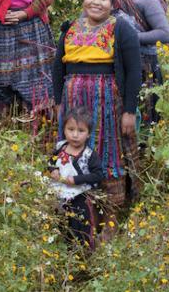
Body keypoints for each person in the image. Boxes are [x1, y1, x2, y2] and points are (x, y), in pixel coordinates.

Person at [52, 0, 141, 241]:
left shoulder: (120, 28)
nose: (96, 2)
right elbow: (59, 67)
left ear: (112, 3)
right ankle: (78, 218)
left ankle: (110, 222)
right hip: (73, 99)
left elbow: (134, 70)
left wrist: (129, 110)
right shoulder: (70, 27)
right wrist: (59, 103)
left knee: (106, 153)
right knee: (72, 152)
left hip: (105, 101)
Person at [105, 0, 169, 128]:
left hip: (143, 69)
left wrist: (130, 39)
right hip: (110, 67)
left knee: (140, 126)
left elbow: (165, 34)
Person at [47, 106, 104, 251]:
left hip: (79, 197)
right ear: (64, 130)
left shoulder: (89, 155)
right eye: (71, 129)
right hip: (59, 194)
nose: (75, 135)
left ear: (88, 134)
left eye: (81, 131)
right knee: (59, 222)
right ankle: (61, 250)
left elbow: (98, 175)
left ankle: (82, 254)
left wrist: (77, 179)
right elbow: (51, 162)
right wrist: (52, 170)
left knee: (79, 226)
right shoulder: (60, 147)